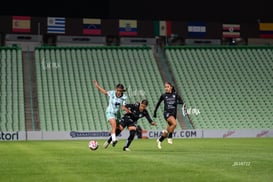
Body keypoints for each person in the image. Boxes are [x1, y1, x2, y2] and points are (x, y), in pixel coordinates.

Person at [94, 80, 130, 146]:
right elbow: (104, 92)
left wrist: (126, 109)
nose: (119, 92)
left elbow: (123, 107)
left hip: (117, 114)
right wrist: (97, 86)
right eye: (118, 90)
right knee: (114, 124)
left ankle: (109, 140)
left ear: (122, 90)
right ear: (116, 89)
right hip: (110, 112)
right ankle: (114, 140)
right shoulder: (112, 93)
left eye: (120, 91)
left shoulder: (124, 97)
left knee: (120, 128)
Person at [153, 82, 184, 149]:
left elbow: (181, 102)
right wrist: (155, 112)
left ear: (171, 87)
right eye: (165, 87)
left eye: (167, 87)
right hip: (167, 113)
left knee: (167, 130)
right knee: (175, 124)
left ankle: (160, 140)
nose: (166, 88)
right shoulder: (164, 95)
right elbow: (158, 103)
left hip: (173, 114)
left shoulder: (175, 95)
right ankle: (170, 137)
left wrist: (176, 102)